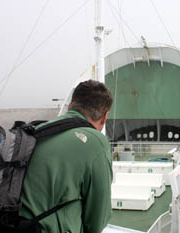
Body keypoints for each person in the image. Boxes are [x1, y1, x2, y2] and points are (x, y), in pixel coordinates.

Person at [19, 80, 113, 233]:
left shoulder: (37, 130)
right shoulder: (96, 142)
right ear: (104, 117)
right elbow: (97, 221)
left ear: (70, 106)